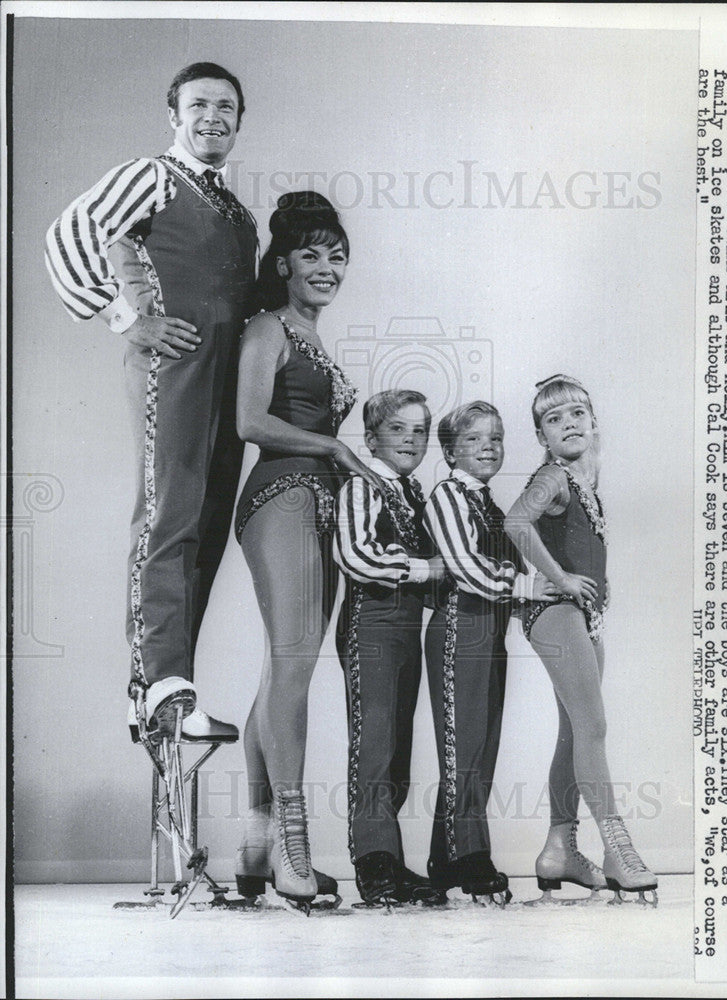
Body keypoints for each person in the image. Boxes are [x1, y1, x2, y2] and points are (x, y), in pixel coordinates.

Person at [44, 62, 257, 740]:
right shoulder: (153, 175)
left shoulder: (235, 209)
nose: (212, 117)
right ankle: (151, 683)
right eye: (198, 105)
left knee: (206, 527)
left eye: (226, 106)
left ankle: (179, 687)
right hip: (175, 371)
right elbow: (69, 233)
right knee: (168, 516)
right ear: (174, 115)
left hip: (225, 384)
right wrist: (124, 318)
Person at [234, 192, 385, 908]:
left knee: (280, 670)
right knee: (293, 665)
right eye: (311, 255)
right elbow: (248, 420)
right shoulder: (268, 327)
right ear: (284, 262)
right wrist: (330, 444)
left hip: (317, 503)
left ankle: (257, 848)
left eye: (337, 254)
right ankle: (295, 852)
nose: (327, 267)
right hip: (281, 497)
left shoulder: (312, 333)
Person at [505, 375, 658, 905]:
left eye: (576, 413)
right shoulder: (554, 476)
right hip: (553, 610)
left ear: (593, 422)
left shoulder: (585, 481)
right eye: (553, 418)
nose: (568, 423)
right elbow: (516, 522)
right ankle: (617, 849)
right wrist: (563, 579)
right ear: (542, 436)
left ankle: (559, 850)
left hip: (582, 616)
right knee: (593, 726)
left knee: (575, 733)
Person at [423, 400, 557, 903]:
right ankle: (471, 857)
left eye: (496, 438)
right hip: (460, 628)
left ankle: (443, 857)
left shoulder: (489, 502)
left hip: (491, 632)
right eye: (475, 439)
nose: (488, 447)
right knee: (462, 749)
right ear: (451, 450)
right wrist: (526, 586)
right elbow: (465, 567)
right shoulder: (448, 495)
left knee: (480, 748)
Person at [333, 389, 446, 906]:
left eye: (418, 431)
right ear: (371, 438)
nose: (409, 439)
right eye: (397, 429)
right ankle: (372, 862)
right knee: (375, 740)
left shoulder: (413, 492)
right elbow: (356, 554)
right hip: (371, 623)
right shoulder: (363, 484)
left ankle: (393, 860)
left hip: (404, 626)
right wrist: (425, 569)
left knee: (399, 744)